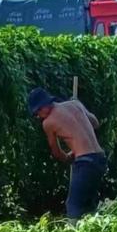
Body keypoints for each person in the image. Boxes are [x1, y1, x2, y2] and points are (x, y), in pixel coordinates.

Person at [28, 87, 107, 219]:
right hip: (100, 158)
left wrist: (67, 157)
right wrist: (80, 108)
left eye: (37, 114)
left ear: (42, 108)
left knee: (73, 206)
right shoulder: (75, 104)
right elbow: (95, 123)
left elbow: (56, 152)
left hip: (85, 163)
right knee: (89, 205)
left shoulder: (48, 122)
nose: (38, 117)